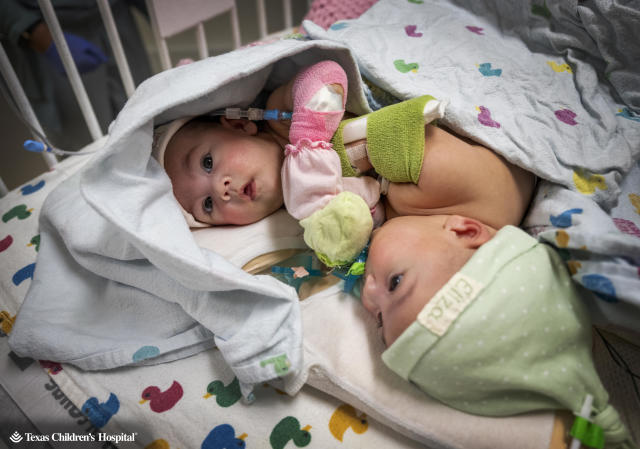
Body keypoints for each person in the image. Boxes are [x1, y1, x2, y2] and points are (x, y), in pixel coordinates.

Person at [154, 60, 535, 262]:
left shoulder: (280, 117)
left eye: (207, 163)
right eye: (205, 205)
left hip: (477, 173)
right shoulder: (299, 212)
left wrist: (309, 141)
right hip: (471, 223)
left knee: (395, 163)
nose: (219, 190)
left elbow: (327, 78)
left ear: (238, 124)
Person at [359, 213, 635, 448]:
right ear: (464, 229)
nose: (367, 296)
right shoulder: (561, 224)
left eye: (395, 282)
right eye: (380, 319)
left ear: (466, 230)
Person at [1, 0, 151, 150]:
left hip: (116, 13)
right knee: (88, 144)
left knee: (146, 119)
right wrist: (34, 31)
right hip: (48, 26)